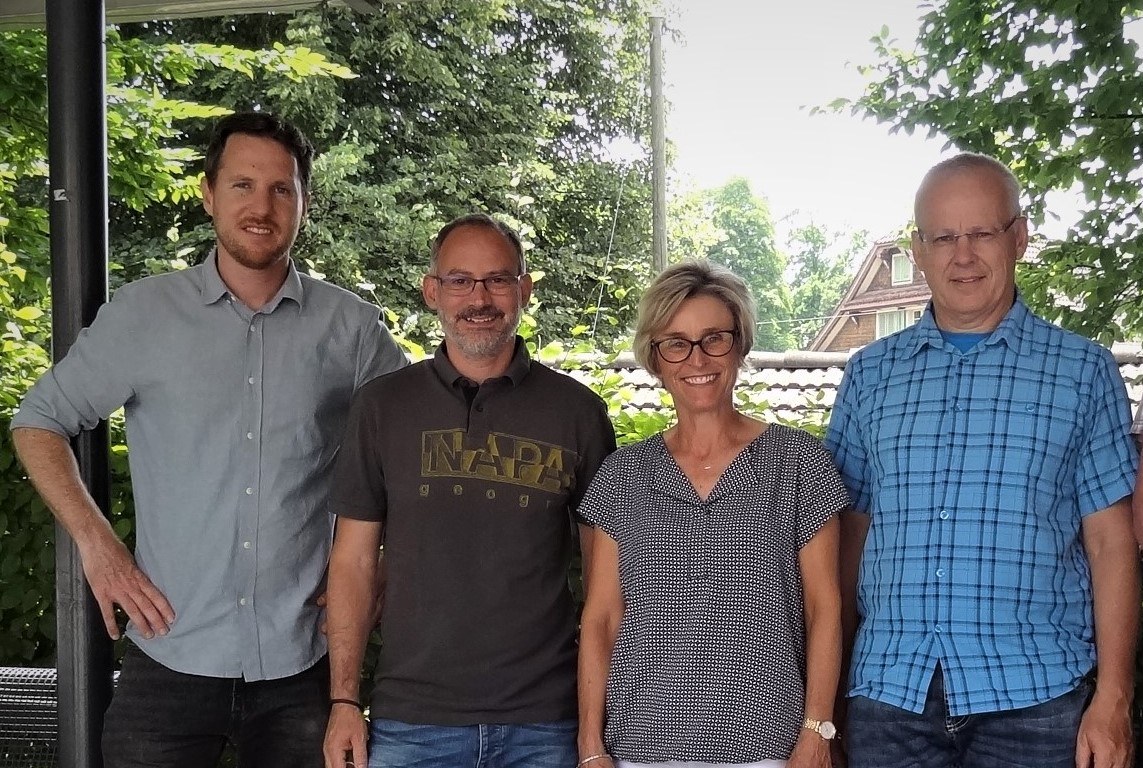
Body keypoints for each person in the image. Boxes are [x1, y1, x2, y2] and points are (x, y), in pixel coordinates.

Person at [11, 111, 406, 767]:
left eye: (282, 189)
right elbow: (38, 421)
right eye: (243, 185)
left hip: (302, 660)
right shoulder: (143, 314)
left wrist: (389, 557)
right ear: (208, 194)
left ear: (305, 201)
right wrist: (98, 543)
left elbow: (413, 446)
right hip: (169, 652)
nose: (262, 206)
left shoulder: (353, 328)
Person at [824, 152, 1140, 768]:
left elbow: (1111, 546)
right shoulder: (869, 376)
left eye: (981, 233)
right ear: (918, 249)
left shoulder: (1082, 373)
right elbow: (846, 539)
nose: (961, 255)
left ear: (1018, 237)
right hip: (890, 693)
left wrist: (1114, 700)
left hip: (1037, 697)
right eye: (943, 237)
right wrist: (825, 700)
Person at [322, 212, 617, 768]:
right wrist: (344, 701)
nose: (479, 298)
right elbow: (354, 562)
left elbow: (609, 578)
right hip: (411, 723)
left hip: (546, 723)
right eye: (460, 280)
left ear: (524, 290)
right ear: (433, 291)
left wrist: (593, 732)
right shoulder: (382, 406)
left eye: (498, 279)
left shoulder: (577, 412)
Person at [576, 259, 848, 768]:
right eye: (675, 343)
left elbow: (825, 609)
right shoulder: (622, 475)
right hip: (640, 750)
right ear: (655, 360)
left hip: (768, 748)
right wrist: (591, 748)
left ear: (740, 345)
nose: (696, 357)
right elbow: (601, 620)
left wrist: (817, 731)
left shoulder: (799, 464)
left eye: (714, 338)